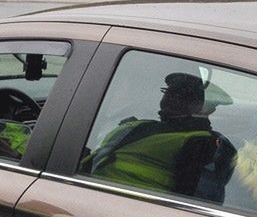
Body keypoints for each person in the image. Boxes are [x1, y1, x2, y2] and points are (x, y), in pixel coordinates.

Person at [85, 72, 236, 199]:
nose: (170, 98)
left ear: (204, 108)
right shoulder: (141, 124)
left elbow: (193, 200)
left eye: (181, 96)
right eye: (168, 92)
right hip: (91, 192)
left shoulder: (203, 143)